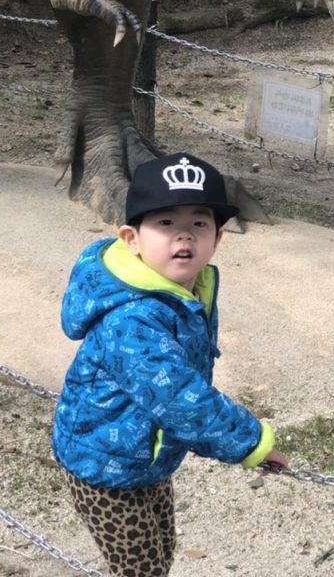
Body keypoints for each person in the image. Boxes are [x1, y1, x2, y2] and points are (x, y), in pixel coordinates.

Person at [52, 152, 288, 577]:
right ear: (131, 238)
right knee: (139, 569)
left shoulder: (187, 286)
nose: (184, 236)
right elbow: (181, 397)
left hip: (145, 452)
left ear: (217, 239)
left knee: (159, 552)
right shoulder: (132, 318)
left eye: (199, 223)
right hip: (106, 461)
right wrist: (252, 443)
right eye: (165, 223)